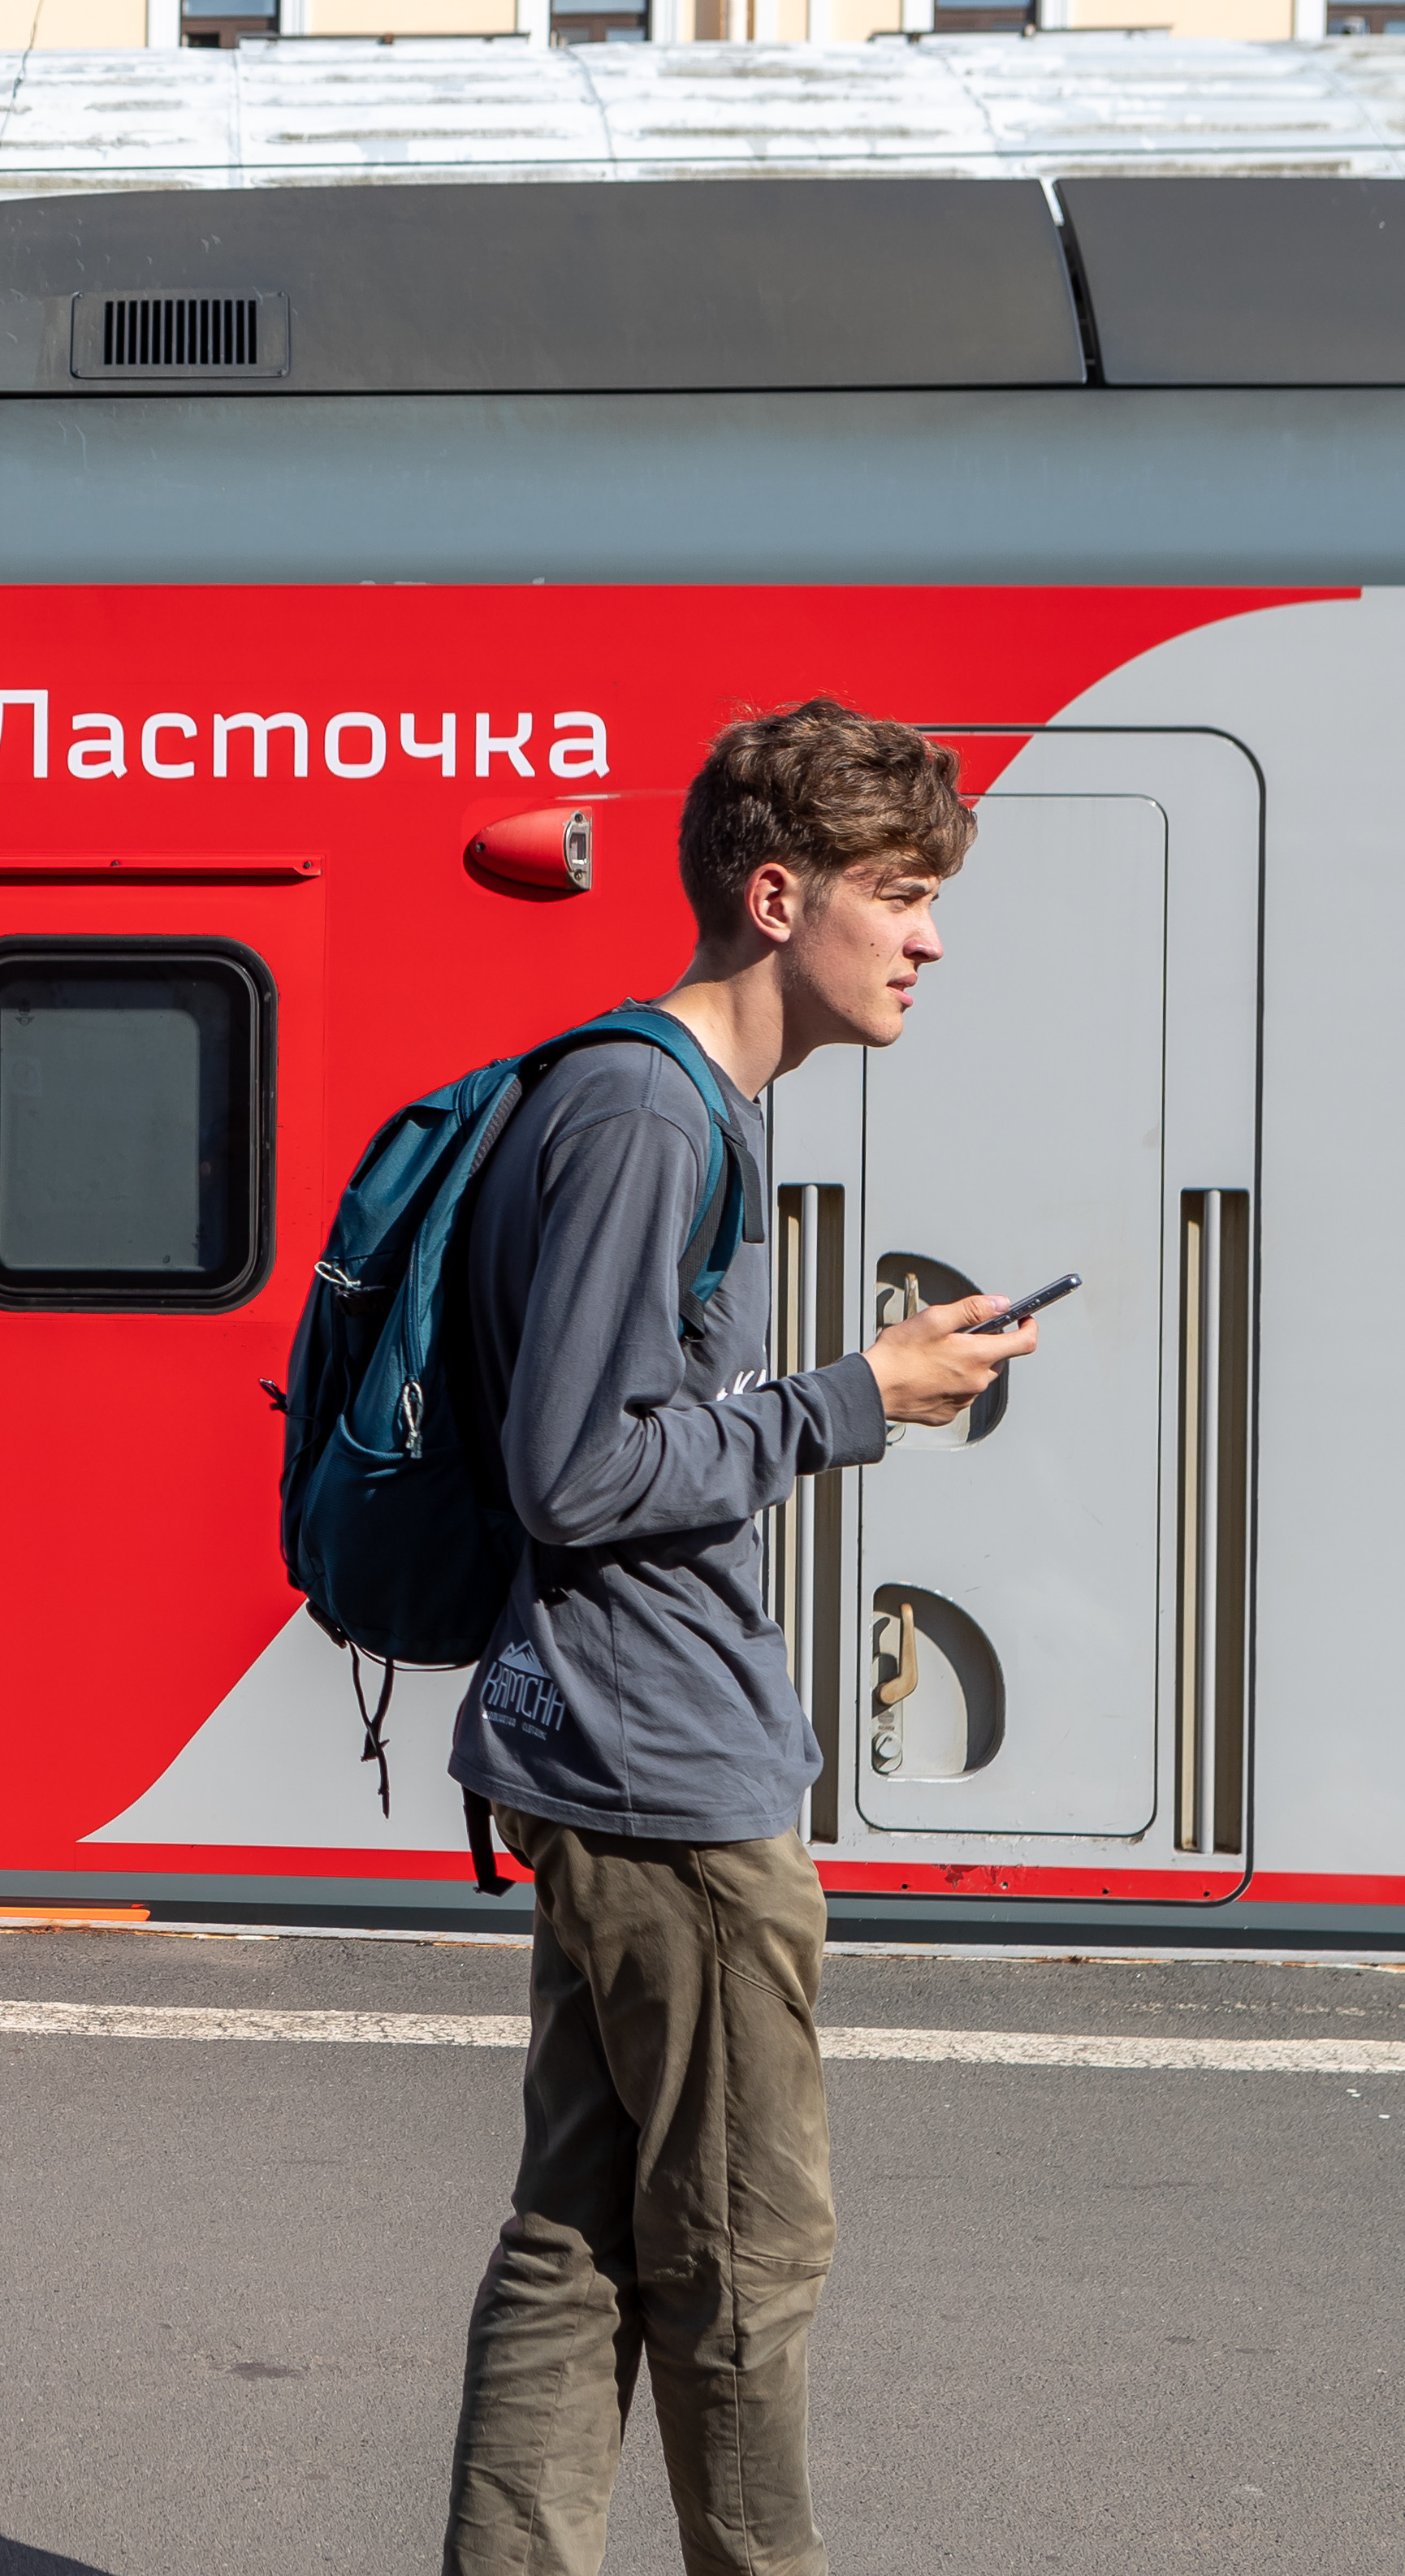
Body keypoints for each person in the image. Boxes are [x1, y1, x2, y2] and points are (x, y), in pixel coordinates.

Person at [439, 700, 1032, 2576]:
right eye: (896, 894)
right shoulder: (644, 1111)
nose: (925, 935)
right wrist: (847, 1395)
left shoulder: (677, 1101)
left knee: (583, 2235)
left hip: (617, 1755)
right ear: (776, 895)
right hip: (664, 1784)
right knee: (742, 2260)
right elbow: (571, 1470)